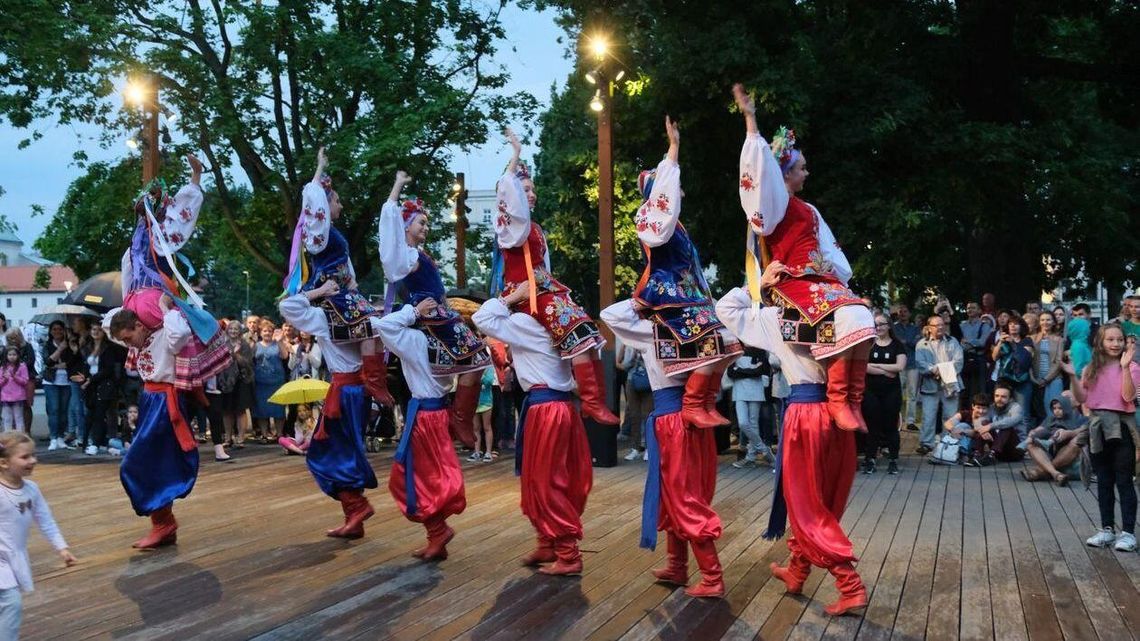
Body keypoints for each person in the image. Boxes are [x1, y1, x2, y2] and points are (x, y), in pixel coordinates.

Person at [716, 265, 866, 615]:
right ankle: (797, 572)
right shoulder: (843, 312)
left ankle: (849, 583)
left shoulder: (774, 316)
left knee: (807, 504)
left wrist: (756, 285)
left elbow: (726, 310)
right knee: (820, 500)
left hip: (806, 415)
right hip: (837, 415)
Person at [733, 84, 874, 433]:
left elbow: (830, 252)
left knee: (861, 314)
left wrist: (831, 270)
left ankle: (852, 400)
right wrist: (751, 120)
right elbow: (761, 176)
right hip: (793, 282)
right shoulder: (777, 203)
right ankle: (839, 399)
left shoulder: (809, 209)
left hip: (819, 281)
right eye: (802, 168)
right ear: (785, 175)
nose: (807, 173)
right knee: (852, 320)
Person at [493, 129, 619, 426]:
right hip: (526, 291)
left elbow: (545, 265)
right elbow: (508, 197)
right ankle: (590, 400)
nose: (531, 194)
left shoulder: (535, 228)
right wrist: (515, 157)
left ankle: (594, 400)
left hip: (545, 287)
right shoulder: (512, 228)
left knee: (587, 331)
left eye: (532, 189)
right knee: (574, 326)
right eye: (525, 190)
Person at [602, 298, 725, 599]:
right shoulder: (703, 329)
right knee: (673, 495)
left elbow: (610, 314)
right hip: (691, 418)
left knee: (683, 497)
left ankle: (712, 577)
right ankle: (677, 566)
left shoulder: (650, 330)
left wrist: (641, 298)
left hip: (673, 421)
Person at [475, 283, 594, 576]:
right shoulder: (554, 320)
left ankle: (567, 554)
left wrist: (509, 298)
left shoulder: (525, 322)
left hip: (546, 410)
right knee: (543, 479)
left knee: (545, 481)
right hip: (558, 407)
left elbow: (482, 319)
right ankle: (547, 542)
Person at [631, 116, 741, 428]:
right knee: (713, 339)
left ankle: (705, 401)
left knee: (728, 340)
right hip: (670, 296)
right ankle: (693, 404)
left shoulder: (676, 224)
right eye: (676, 186)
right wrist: (674, 148)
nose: (682, 192)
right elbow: (662, 213)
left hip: (690, 294)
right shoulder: (651, 217)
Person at [378, 170, 491, 445]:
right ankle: (461, 418)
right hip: (431, 314)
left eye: (427, 223)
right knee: (477, 359)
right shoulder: (407, 256)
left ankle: (460, 417)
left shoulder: (417, 254)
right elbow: (390, 245)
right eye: (421, 223)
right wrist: (397, 187)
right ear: (405, 227)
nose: (425, 228)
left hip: (442, 313)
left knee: (479, 359)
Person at [281, 147, 393, 407]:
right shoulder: (319, 232)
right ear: (325, 204)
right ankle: (374, 382)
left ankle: (374, 381)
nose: (341, 205)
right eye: (337, 201)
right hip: (331, 291)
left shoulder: (333, 233)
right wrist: (319, 169)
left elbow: (344, 261)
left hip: (344, 292)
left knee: (376, 328)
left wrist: (351, 280)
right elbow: (313, 201)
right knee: (371, 328)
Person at [119, 154, 231, 396]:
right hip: (141, 304)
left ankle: (175, 387)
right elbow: (127, 268)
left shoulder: (161, 237)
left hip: (150, 302)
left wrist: (196, 177)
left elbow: (183, 213)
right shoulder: (140, 240)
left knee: (176, 337)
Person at [279, 279, 381, 539]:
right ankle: (353, 519)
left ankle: (357, 507)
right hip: (358, 391)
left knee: (323, 455)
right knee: (344, 452)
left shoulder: (324, 315)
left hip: (343, 391)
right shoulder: (364, 312)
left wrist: (318, 291)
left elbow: (288, 305)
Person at [376, 296, 467, 561]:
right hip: (440, 412)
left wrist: (411, 311)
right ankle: (436, 534)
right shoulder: (451, 339)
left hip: (425, 417)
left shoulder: (414, 341)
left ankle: (438, 531)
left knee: (410, 479)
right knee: (428, 477)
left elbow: (384, 325)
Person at [107, 300, 201, 549]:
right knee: (154, 463)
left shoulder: (166, 335)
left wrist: (165, 307)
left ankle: (163, 524)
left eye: (129, 338)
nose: (129, 345)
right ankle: (163, 523)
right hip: (151, 400)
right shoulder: (139, 339)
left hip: (165, 402)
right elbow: (112, 323)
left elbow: (180, 333)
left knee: (136, 463)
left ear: (139, 325)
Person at [1064, 324, 1139, 552]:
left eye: (1119, 339)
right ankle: (1106, 529)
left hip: (1122, 426)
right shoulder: (1091, 368)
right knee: (1104, 480)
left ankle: (1127, 533)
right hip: (1097, 427)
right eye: (1110, 340)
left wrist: (1125, 367)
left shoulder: (1133, 367)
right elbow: (1081, 398)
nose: (1115, 344)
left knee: (1124, 480)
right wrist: (1072, 377)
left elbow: (1129, 397)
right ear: (1101, 343)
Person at [0, 432, 77, 639]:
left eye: (33, 455)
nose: (33, 460)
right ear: (4, 463)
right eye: (25, 457)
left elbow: (45, 520)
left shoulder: (32, 490)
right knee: (11, 602)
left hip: (13, 557)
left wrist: (62, 548)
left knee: (7, 602)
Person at [860, 314, 906, 475]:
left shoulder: (897, 345)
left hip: (891, 392)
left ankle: (893, 459)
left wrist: (876, 366)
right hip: (871, 390)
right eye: (875, 324)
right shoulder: (868, 344)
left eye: (881, 324)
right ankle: (870, 459)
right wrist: (886, 370)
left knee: (890, 425)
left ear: (889, 326)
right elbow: (864, 366)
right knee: (872, 426)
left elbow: (900, 366)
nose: (878, 327)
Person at [915, 316, 964, 454]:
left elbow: (959, 362)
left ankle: (947, 441)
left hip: (950, 385)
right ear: (929, 328)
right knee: (928, 416)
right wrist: (937, 370)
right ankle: (926, 443)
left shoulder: (952, 341)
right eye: (937, 325)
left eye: (942, 324)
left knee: (950, 415)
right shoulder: (921, 344)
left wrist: (938, 370)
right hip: (930, 386)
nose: (941, 327)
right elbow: (921, 364)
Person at [78, 325, 127, 455]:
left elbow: (108, 369)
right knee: (89, 415)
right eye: (93, 329)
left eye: (99, 330)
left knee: (100, 415)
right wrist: (84, 379)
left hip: (104, 384)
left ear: (104, 332)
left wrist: (91, 379)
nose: (96, 332)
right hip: (90, 385)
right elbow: (85, 366)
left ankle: (95, 443)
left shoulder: (108, 348)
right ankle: (86, 442)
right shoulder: (87, 347)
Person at [1021, 397, 1087, 484]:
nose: (1057, 411)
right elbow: (1041, 428)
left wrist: (1069, 433)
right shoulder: (1051, 418)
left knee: (1077, 440)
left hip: (1069, 456)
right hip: (1052, 450)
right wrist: (1033, 433)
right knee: (1030, 444)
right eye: (1054, 408)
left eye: (1060, 408)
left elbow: (1084, 430)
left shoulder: (1078, 418)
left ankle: (1040, 472)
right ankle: (1055, 473)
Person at [728, 347, 774, 469]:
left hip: (755, 390)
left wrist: (741, 370)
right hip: (740, 391)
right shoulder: (736, 349)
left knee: (753, 424)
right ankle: (764, 450)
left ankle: (751, 457)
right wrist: (751, 371)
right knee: (743, 423)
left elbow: (762, 370)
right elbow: (730, 372)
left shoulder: (760, 349)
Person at [991, 316, 1035, 438]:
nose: (1013, 326)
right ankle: (998, 440)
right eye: (1010, 324)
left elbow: (1023, 359)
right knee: (1001, 409)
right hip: (1004, 380)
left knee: (1023, 412)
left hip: (1022, 381)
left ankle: (1022, 443)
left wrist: (1013, 344)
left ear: (1022, 326)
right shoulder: (1003, 340)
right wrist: (1000, 342)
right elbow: (994, 357)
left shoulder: (1027, 341)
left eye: (1016, 324)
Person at [963, 382, 1024, 466]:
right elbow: (980, 420)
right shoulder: (992, 407)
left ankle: (991, 455)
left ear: (1010, 399)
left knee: (1006, 426)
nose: (999, 399)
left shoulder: (1016, 408)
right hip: (999, 450)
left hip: (1015, 450)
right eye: (997, 396)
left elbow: (1012, 421)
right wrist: (982, 430)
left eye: (1003, 397)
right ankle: (977, 454)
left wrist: (990, 426)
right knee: (984, 423)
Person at [42, 322, 77, 451]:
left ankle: (61, 437)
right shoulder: (47, 345)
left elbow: (72, 362)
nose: (57, 332)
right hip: (51, 381)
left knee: (64, 411)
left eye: (60, 329)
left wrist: (68, 349)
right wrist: (60, 349)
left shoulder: (70, 344)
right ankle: (53, 438)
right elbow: (48, 362)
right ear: (50, 331)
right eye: (54, 329)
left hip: (66, 381)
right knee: (54, 410)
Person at [251, 319, 289, 442]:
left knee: (278, 409)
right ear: (260, 332)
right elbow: (251, 359)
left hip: (277, 381)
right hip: (260, 381)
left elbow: (284, 356)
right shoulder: (256, 345)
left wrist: (280, 342)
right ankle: (264, 434)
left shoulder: (277, 343)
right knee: (262, 409)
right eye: (264, 331)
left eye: (269, 331)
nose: (267, 333)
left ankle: (279, 434)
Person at [892, 304, 921, 431]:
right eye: (900, 311)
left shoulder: (915, 328)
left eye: (905, 311)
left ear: (909, 314)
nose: (903, 313)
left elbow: (916, 343)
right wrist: (906, 342)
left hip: (912, 363)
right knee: (897, 393)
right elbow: (895, 342)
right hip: (898, 363)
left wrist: (904, 341)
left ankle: (910, 421)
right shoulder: (894, 327)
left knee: (912, 393)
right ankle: (896, 420)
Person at [958, 301, 993, 403]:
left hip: (978, 360)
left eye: (973, 308)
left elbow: (982, 342)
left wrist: (967, 342)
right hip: (964, 359)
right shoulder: (962, 325)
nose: (970, 310)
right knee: (964, 390)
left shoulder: (985, 326)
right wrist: (972, 343)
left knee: (977, 390)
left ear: (979, 310)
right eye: (968, 308)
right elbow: (958, 342)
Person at [1032, 312, 1064, 419]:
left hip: (1053, 378)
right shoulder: (1032, 338)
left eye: (1048, 320)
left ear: (1054, 322)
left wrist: (1046, 379)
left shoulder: (1059, 339)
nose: (1045, 322)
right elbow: (1028, 360)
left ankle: (1055, 432)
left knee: (1054, 408)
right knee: (1038, 410)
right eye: (1042, 320)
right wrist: (1034, 378)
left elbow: (1058, 361)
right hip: (1035, 378)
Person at [4, 330, 35, 435]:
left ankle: (26, 431)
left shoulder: (27, 347)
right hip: (8, 387)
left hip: (27, 378)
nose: (12, 340)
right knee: (9, 413)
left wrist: (17, 368)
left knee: (26, 405)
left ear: (20, 336)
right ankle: (12, 433)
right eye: (10, 338)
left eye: (14, 337)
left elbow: (31, 361)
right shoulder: (6, 350)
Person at [468, 365, 496, 463]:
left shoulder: (489, 367)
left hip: (486, 401)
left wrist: (476, 378)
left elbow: (488, 381)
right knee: (475, 428)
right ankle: (477, 451)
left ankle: (488, 452)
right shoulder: (473, 367)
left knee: (487, 427)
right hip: (473, 401)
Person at [0, 348, 29, 432]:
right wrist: (4, 379)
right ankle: (7, 438)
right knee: (7, 418)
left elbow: (25, 381)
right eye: (9, 355)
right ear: (6, 356)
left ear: (18, 356)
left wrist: (15, 376)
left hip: (18, 397)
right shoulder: (2, 368)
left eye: (14, 354)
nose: (12, 357)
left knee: (18, 417)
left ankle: (20, 438)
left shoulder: (22, 366)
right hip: (5, 397)